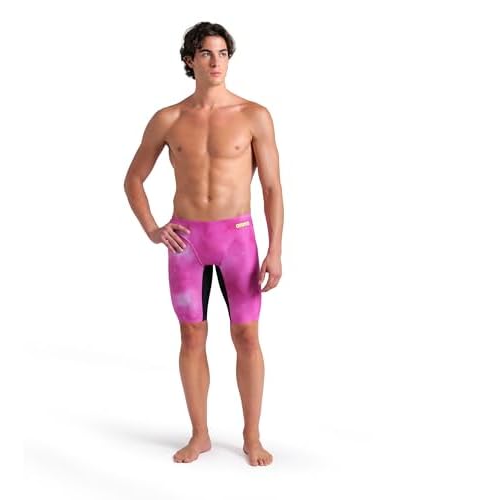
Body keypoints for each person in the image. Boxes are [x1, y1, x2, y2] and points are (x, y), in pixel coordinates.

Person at [123, 21, 283, 466]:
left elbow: (272, 187)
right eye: (207, 54)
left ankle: (252, 437)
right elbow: (133, 178)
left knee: (246, 335)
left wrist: (275, 249)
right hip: (187, 243)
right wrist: (152, 228)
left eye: (223, 54)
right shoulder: (169, 119)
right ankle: (200, 435)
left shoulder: (254, 115)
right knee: (192, 335)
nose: (216, 62)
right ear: (189, 60)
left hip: (238, 241)